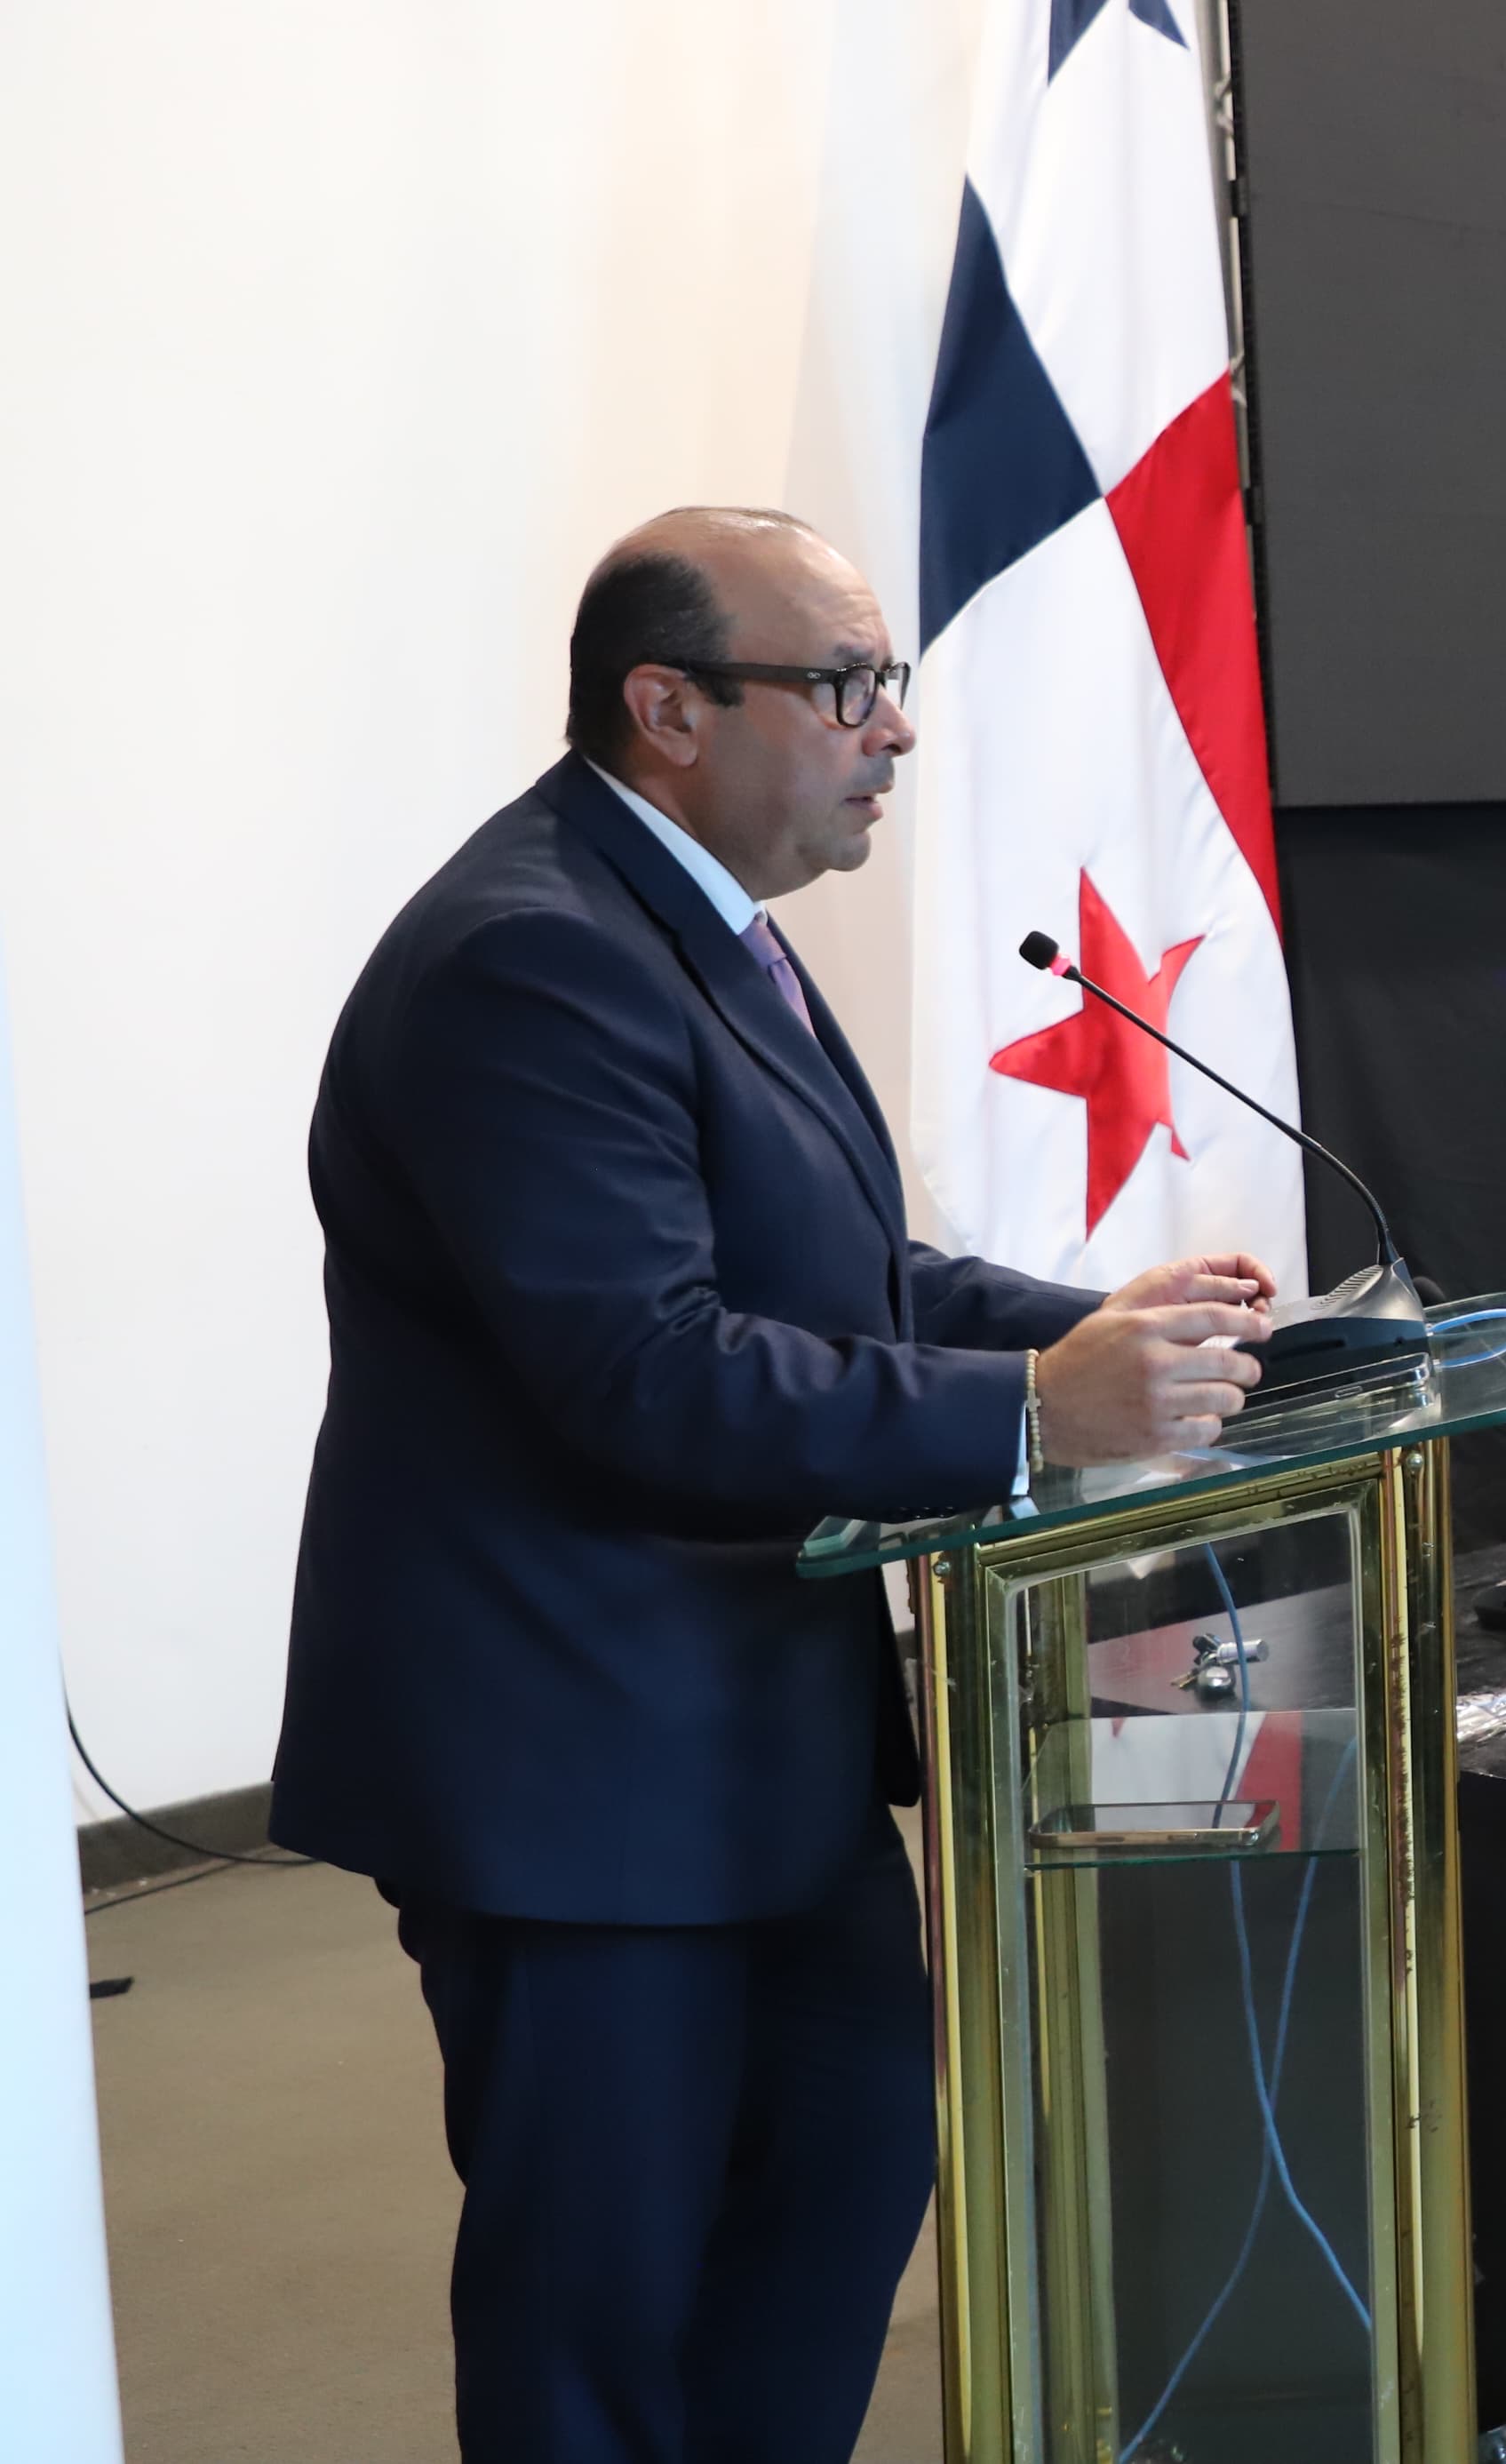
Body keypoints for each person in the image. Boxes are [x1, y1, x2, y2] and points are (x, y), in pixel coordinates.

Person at [270, 508, 1285, 2463]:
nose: (892, 727)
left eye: (885, 679)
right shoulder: (529, 958)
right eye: (843, 684)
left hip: (755, 1745)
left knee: (833, 2195)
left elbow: (843, 1282)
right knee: (602, 2301)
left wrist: (1119, 1335)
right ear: (667, 708)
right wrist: (1033, 1411)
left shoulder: (699, 925)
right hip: (576, 1767)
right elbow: (643, 1371)